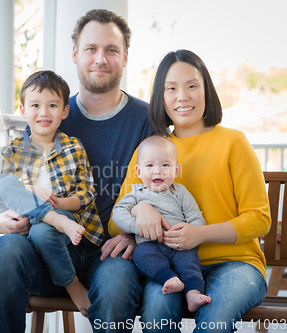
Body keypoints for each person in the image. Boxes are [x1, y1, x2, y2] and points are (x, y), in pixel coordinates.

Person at [0, 9, 152, 333]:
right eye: (91, 49)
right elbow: (6, 183)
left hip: (109, 251)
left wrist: (135, 234)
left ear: (125, 57)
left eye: (111, 50)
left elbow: (165, 185)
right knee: (4, 252)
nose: (100, 58)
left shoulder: (144, 120)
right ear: (75, 54)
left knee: (118, 287)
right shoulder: (51, 114)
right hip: (46, 249)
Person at [109, 49, 270, 332]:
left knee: (214, 324)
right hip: (171, 267)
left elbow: (259, 218)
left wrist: (199, 234)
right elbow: (115, 224)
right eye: (171, 88)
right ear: (161, 96)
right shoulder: (151, 151)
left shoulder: (233, 142)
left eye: (192, 86)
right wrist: (140, 208)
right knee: (157, 316)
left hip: (236, 264)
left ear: (206, 90)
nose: (182, 97)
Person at [0, 70, 105, 316]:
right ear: (23, 110)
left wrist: (59, 203)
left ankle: (73, 286)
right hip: (28, 218)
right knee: (0, 182)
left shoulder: (73, 147)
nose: (43, 112)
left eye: (52, 105)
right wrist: (31, 191)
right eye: (35, 105)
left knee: (44, 230)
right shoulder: (13, 150)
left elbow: (87, 194)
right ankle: (51, 218)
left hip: (63, 220)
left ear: (64, 111)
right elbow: (5, 193)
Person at [112, 135, 211, 313]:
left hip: (179, 245)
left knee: (191, 264)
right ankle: (169, 278)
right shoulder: (136, 194)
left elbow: (196, 217)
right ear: (139, 171)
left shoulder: (180, 192)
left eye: (165, 165)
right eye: (150, 165)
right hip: (150, 245)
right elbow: (118, 213)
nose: (157, 171)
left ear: (176, 170)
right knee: (142, 254)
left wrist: (191, 233)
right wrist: (137, 227)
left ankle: (193, 294)